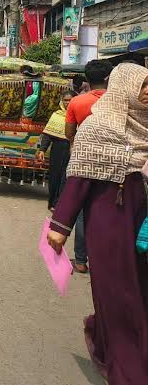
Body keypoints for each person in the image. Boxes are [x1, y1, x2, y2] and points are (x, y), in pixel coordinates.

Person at [47, 63, 148, 385]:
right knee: (122, 296)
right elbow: (77, 180)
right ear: (126, 87)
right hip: (110, 224)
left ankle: (110, 346)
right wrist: (60, 226)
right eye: (144, 86)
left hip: (142, 225)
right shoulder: (98, 127)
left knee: (139, 294)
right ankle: (130, 372)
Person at [63, 59, 113, 274]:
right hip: (113, 162)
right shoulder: (119, 102)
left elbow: (68, 133)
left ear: (87, 79)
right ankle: (104, 261)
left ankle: (81, 260)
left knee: (82, 212)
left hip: (83, 161)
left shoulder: (76, 102)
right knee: (108, 211)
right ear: (108, 78)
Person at [36, 90, 76, 210]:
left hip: (72, 148)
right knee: (54, 175)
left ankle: (60, 202)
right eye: (65, 100)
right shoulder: (56, 115)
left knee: (66, 176)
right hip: (57, 148)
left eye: (70, 100)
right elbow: (48, 134)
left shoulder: (78, 115)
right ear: (61, 101)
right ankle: (52, 202)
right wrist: (42, 149)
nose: (68, 103)